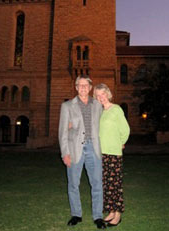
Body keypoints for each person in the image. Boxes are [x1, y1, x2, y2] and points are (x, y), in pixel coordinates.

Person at [58, 75, 106, 229]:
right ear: (76, 87)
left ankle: (98, 216)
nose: (83, 88)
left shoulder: (98, 105)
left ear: (90, 88)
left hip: (94, 149)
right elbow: (62, 132)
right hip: (74, 150)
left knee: (97, 183)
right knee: (73, 184)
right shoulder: (67, 106)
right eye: (80, 85)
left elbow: (105, 126)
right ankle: (76, 214)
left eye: (86, 85)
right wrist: (65, 153)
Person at [93, 83, 130, 227]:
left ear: (108, 94)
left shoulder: (116, 109)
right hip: (101, 153)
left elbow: (125, 129)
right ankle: (111, 211)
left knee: (115, 184)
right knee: (106, 184)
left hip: (114, 152)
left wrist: (121, 142)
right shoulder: (100, 112)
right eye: (98, 95)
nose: (101, 97)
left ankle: (118, 214)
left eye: (103, 94)